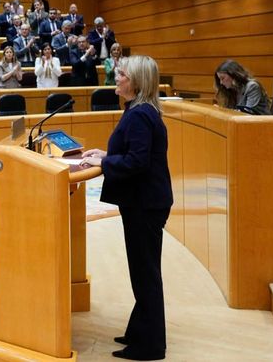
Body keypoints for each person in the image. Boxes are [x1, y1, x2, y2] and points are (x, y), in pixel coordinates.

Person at [78, 55, 172, 361]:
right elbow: (134, 152)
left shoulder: (140, 115)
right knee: (144, 272)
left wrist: (104, 162)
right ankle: (139, 332)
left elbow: (137, 162)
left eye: (122, 74)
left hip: (145, 203)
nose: (116, 77)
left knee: (145, 274)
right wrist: (106, 154)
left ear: (136, 82)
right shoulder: (138, 110)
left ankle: (151, 346)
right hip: (145, 201)